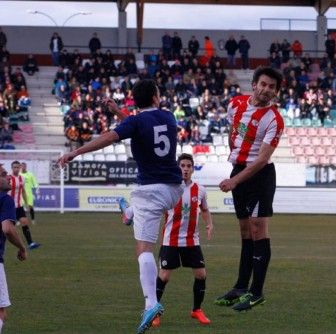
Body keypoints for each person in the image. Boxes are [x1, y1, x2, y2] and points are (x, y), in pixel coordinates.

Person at [57, 79, 183, 334]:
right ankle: (129, 212)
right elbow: (143, 126)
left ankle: (151, 302)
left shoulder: (134, 122)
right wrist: (118, 112)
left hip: (151, 190)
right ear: (157, 98)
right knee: (137, 197)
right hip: (175, 189)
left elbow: (109, 137)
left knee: (143, 249)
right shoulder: (168, 118)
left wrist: (76, 152)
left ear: (135, 101)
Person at [214, 67, 284, 312]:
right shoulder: (235, 104)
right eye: (263, 84)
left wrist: (234, 181)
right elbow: (234, 132)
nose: (266, 90)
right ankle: (241, 287)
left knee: (257, 229)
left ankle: (257, 292)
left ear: (276, 92)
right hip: (239, 170)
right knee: (245, 231)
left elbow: (262, 160)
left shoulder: (274, 120)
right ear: (254, 84)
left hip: (260, 176)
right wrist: (235, 165)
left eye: (272, 87)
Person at [122, 153, 214, 328]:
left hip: (191, 241)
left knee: (201, 274)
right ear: (177, 168)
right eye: (182, 166)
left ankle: (197, 310)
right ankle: (153, 311)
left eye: (189, 166)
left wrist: (209, 224)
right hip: (170, 239)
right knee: (164, 276)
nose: (185, 169)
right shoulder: (169, 189)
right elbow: (150, 205)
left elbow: (205, 209)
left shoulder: (200, 190)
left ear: (193, 169)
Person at [0, 163, 27, 334]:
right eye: (3, 174)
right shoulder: (5, 198)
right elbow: (7, 229)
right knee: (0, 311)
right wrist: (22, 248)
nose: (8, 176)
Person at [8, 161, 40, 250]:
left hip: (19, 206)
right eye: (14, 167)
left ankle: (30, 243)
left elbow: (23, 192)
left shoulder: (22, 178)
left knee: (24, 222)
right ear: (11, 168)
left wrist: (26, 203)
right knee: (7, 228)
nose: (16, 169)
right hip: (9, 207)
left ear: (20, 168)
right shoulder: (8, 178)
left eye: (18, 167)